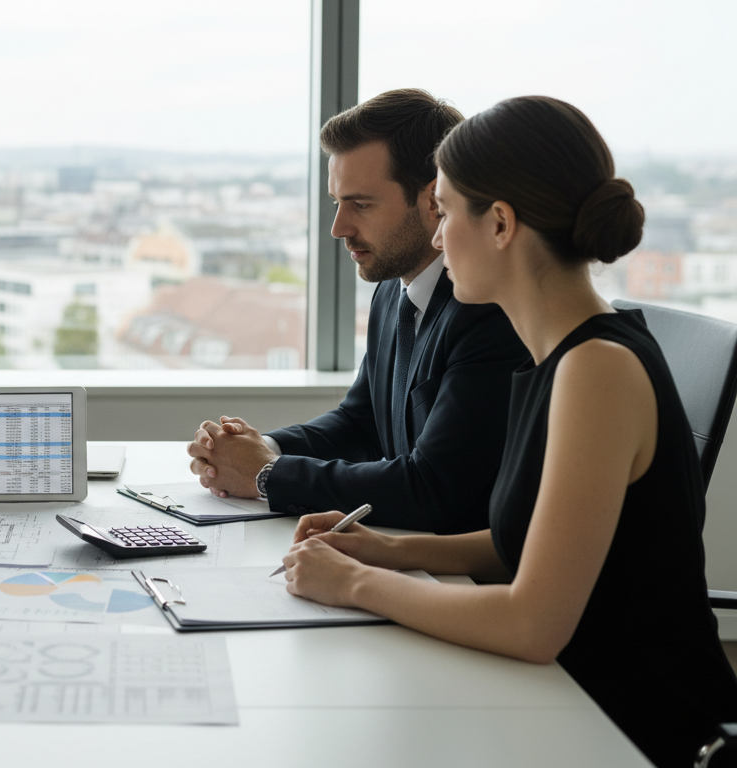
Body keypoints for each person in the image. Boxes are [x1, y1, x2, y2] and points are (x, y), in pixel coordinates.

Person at [279, 95, 737, 767]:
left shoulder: (597, 368)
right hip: (564, 699)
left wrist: (352, 583)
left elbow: (531, 625)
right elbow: (519, 544)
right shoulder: (555, 358)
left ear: (499, 224)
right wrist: (385, 551)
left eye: (446, 213)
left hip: (633, 730)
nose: (437, 238)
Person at [187, 89, 528, 534]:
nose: (338, 227)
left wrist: (266, 474)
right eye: (337, 202)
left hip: (455, 565)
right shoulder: (393, 289)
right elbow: (361, 423)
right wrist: (258, 448)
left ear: (433, 201)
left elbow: (431, 490)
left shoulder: (489, 311)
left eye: (361, 204)